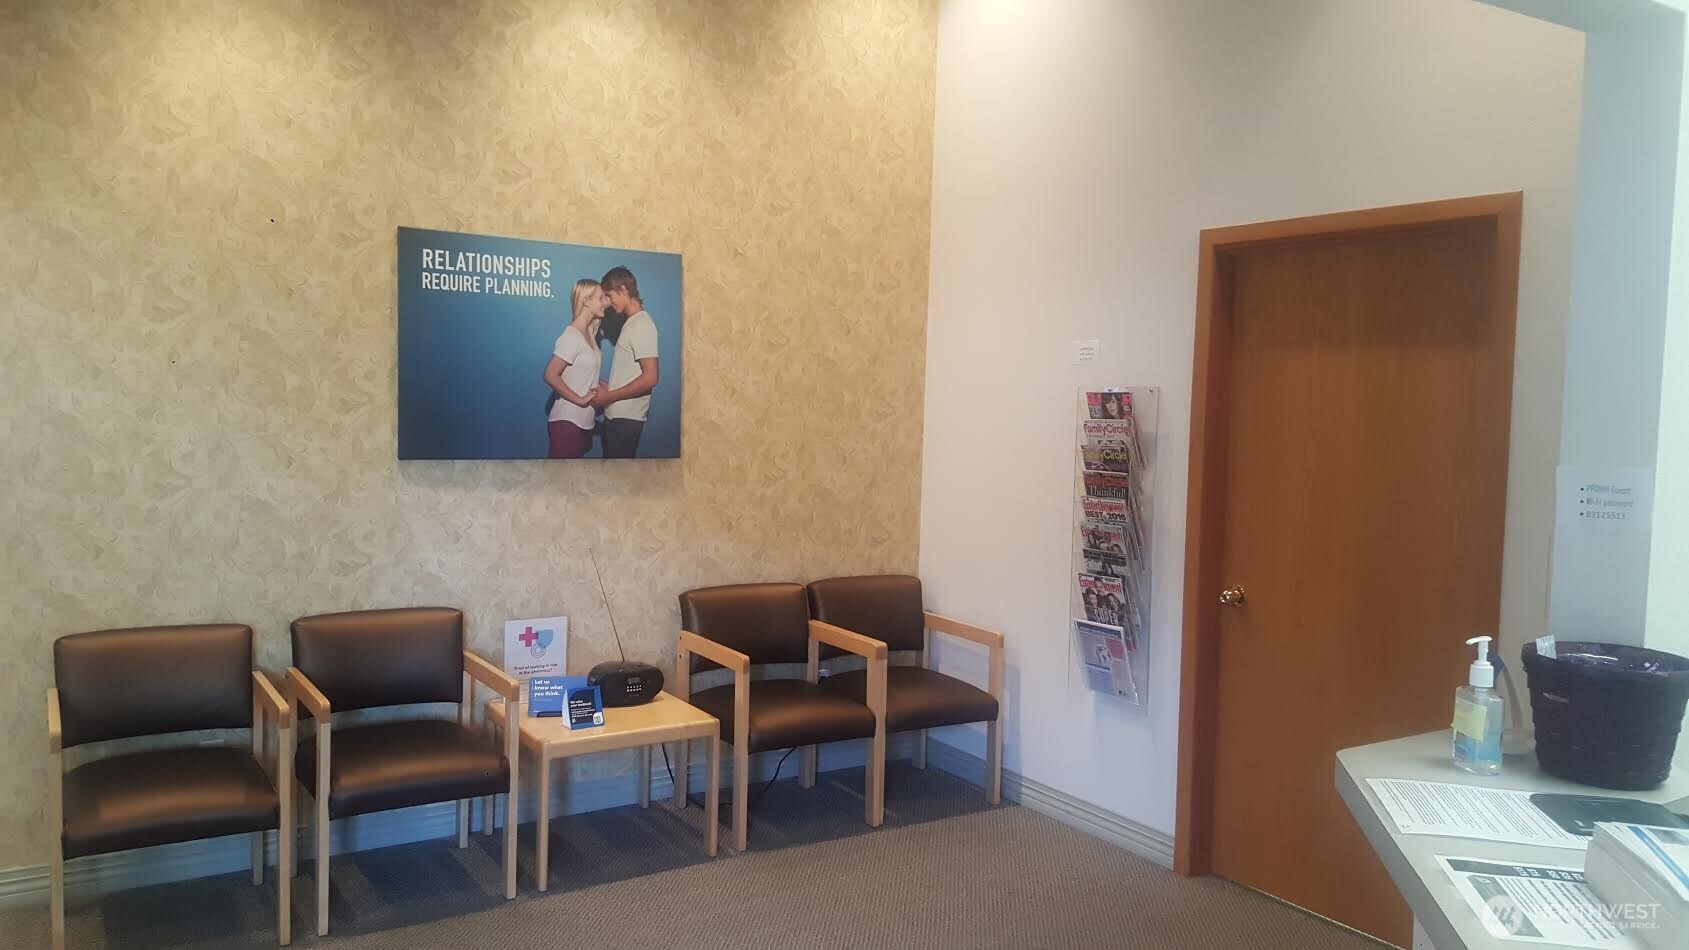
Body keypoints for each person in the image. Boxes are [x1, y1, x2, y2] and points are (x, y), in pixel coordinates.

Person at [592, 265, 660, 458]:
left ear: (622, 290)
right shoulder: (632, 324)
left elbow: (651, 378)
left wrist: (609, 396)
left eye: (609, 295)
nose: (608, 302)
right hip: (619, 418)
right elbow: (633, 373)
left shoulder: (642, 324)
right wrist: (610, 386)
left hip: (625, 421)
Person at [542, 279, 607, 458]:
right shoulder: (572, 336)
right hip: (567, 423)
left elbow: (584, 375)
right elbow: (550, 374)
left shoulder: (590, 336)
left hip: (584, 423)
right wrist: (579, 399)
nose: (606, 303)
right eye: (601, 298)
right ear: (586, 301)